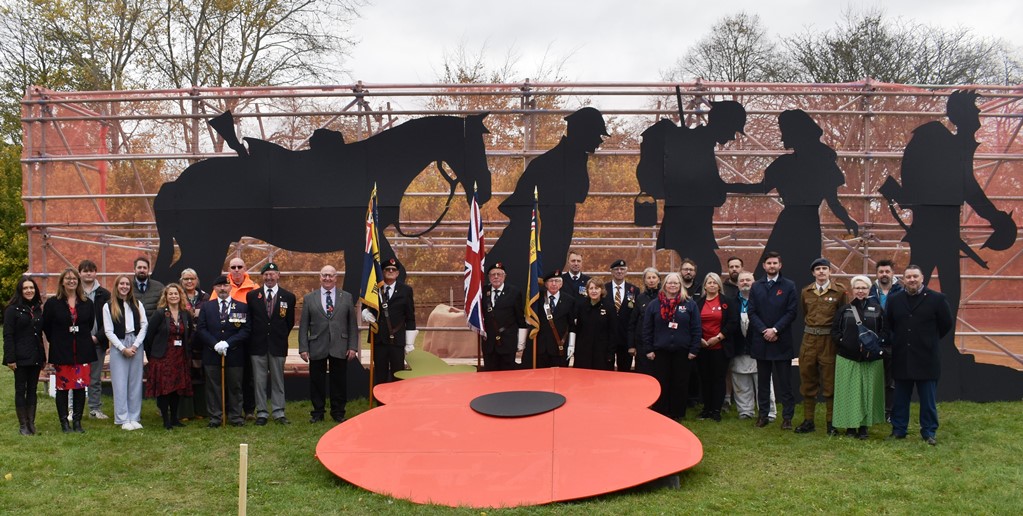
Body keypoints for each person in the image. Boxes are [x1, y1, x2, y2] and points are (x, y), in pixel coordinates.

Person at [726, 109, 859, 279]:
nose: (782, 138)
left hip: (797, 223)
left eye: (784, 132)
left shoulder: (799, 164)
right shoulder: (805, 164)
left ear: (796, 133)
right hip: (802, 223)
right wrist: (725, 186)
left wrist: (847, 219)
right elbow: (833, 202)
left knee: (797, 268)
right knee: (783, 267)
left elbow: (760, 188)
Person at [487, 108, 608, 286]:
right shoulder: (551, 163)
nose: (599, 141)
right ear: (582, 132)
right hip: (537, 242)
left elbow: (579, 194)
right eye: (597, 134)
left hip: (550, 237)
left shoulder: (569, 160)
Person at [637, 100, 746, 282]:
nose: (733, 137)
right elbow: (706, 188)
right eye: (733, 129)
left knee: (702, 269)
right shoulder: (697, 144)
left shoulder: (697, 142)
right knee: (707, 269)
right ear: (723, 123)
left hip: (689, 222)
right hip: (688, 223)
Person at [885, 265, 953, 445]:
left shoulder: (937, 299)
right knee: (900, 398)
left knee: (927, 400)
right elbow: (889, 324)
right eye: (908, 277)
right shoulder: (894, 300)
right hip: (902, 357)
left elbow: (946, 324)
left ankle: (929, 431)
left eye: (915, 276)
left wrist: (928, 340)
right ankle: (899, 430)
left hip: (927, 358)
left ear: (922, 278)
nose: (912, 280)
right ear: (903, 280)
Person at [794, 258, 848, 436]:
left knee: (830, 383)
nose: (821, 272)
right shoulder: (806, 292)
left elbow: (843, 316)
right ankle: (808, 421)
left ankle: (831, 423)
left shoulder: (839, 292)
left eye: (824, 268)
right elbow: (805, 312)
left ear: (830, 271)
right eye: (818, 269)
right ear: (813, 273)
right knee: (807, 379)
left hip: (828, 341)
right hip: (809, 340)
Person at [301, 265, 359, 423]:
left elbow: (352, 325)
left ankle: (338, 412)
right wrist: (303, 348)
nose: (327, 278)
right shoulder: (309, 298)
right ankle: (318, 412)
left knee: (339, 381)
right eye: (324, 275)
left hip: (339, 345)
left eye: (330, 276)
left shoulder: (346, 297)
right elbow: (303, 325)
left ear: (336, 278)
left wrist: (353, 346)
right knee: (316, 382)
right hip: (316, 345)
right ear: (320, 277)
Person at [42, 268, 97, 433]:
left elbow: (89, 323)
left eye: (74, 278)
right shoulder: (53, 303)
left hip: (82, 351)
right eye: (68, 278)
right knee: (63, 388)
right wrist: (58, 340)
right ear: (62, 282)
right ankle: (64, 423)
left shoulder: (87, 303)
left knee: (80, 387)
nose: (71, 281)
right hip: (62, 351)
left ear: (78, 281)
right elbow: (47, 326)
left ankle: (77, 422)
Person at [831, 275, 887, 440]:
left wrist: (876, 347)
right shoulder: (844, 310)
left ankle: (863, 427)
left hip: (871, 359)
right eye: (857, 288)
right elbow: (835, 332)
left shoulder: (877, 309)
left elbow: (885, 331)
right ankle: (850, 426)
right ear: (852, 290)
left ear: (869, 290)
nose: (860, 291)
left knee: (866, 393)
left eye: (864, 288)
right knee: (849, 393)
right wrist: (844, 342)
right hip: (848, 358)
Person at [641, 272, 701, 419]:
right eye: (670, 282)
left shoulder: (689, 304)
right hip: (660, 351)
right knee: (662, 383)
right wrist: (648, 349)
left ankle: (677, 413)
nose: (672, 285)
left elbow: (696, 328)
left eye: (676, 283)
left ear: (680, 285)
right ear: (664, 285)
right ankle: (661, 413)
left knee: (680, 383)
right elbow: (647, 329)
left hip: (683, 351)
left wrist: (694, 349)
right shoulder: (654, 305)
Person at [748, 252, 798, 430]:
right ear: (764, 266)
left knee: (785, 383)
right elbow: (751, 312)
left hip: (781, 340)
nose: (771, 266)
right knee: (762, 382)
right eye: (768, 263)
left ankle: (787, 418)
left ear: (780, 265)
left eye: (775, 263)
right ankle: (763, 415)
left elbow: (792, 312)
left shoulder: (789, 286)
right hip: (761, 341)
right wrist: (764, 330)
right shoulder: (756, 286)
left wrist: (775, 330)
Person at [196, 274, 251, 427]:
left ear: (231, 287)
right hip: (212, 354)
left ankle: (235, 417)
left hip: (234, 354)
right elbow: (201, 329)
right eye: (219, 286)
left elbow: (245, 330)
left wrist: (228, 343)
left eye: (225, 285)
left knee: (235, 386)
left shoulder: (241, 306)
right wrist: (215, 344)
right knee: (213, 387)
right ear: (214, 288)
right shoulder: (207, 307)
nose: (222, 288)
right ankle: (215, 417)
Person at [246, 262, 296, 425]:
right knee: (259, 381)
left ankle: (278, 412)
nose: (269, 277)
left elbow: (289, 323)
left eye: (272, 274)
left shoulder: (288, 297)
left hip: (277, 345)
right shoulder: (253, 296)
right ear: (262, 277)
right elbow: (250, 321)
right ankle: (261, 413)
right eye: (266, 274)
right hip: (258, 345)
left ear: (278, 275)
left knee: (278, 380)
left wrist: (278, 336)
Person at [143, 283, 193, 429]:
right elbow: (149, 336)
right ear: (166, 296)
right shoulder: (160, 313)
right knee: (165, 390)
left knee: (177, 389)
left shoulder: (185, 314)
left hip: (179, 357)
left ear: (180, 296)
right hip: (162, 358)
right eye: (170, 294)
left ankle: (175, 418)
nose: (173, 296)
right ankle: (166, 420)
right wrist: (152, 355)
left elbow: (189, 334)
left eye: (176, 293)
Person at [102, 275, 149, 430]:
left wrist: (135, 346)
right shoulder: (108, 306)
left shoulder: (137, 304)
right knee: (120, 382)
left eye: (127, 284)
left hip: (135, 343)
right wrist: (122, 348)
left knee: (135, 382)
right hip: (119, 345)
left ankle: (134, 417)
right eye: (121, 284)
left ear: (130, 287)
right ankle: (122, 418)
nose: (124, 286)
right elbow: (108, 331)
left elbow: (144, 326)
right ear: (116, 286)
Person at [362, 258, 417, 384]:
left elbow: (410, 317)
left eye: (393, 269)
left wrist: (409, 342)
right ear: (382, 272)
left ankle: (396, 402)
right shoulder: (374, 288)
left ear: (397, 273)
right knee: (380, 374)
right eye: (387, 269)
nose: (390, 271)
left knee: (397, 374)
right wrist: (365, 313)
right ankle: (380, 403)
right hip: (379, 339)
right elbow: (366, 305)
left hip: (397, 340)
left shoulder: (406, 290)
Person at [731, 271, 776, 422]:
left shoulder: (763, 300)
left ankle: (769, 412)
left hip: (759, 345)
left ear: (754, 282)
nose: (745, 283)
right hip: (739, 347)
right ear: (737, 284)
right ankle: (745, 411)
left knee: (763, 381)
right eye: (741, 280)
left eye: (748, 280)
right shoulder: (732, 302)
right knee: (740, 380)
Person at [4, 276, 45, 435]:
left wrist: (43, 356)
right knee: (21, 389)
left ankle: (31, 423)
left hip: (35, 355)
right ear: (21, 291)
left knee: (33, 389)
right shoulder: (12, 310)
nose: (29, 291)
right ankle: (23, 425)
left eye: (32, 288)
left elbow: (40, 334)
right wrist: (10, 358)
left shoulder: (37, 309)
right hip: (19, 357)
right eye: (26, 288)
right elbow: (8, 335)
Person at [695, 273, 738, 422]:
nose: (712, 285)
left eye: (715, 283)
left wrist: (719, 337)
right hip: (702, 347)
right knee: (705, 379)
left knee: (718, 379)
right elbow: (693, 323)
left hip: (720, 346)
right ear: (705, 286)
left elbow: (733, 323)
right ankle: (706, 409)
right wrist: (699, 339)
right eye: (709, 283)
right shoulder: (698, 303)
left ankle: (716, 410)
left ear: (719, 286)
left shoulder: (727, 302)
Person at [868, 259, 902, 422]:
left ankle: (889, 412)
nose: (884, 274)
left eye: (887, 271)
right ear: (877, 274)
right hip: (874, 342)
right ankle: (873, 411)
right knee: (873, 379)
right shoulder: (870, 291)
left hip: (894, 343)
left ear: (892, 273)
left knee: (891, 381)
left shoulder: (900, 291)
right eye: (881, 272)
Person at [226, 256, 258, 419]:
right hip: (229, 341)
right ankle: (231, 408)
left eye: (239, 267)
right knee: (232, 378)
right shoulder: (222, 287)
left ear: (245, 269)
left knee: (249, 376)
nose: (236, 270)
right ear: (229, 270)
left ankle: (250, 409)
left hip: (249, 339)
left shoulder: (254, 287)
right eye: (233, 267)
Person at [78, 259, 111, 420]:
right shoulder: (74, 292)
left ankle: (94, 409)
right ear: (80, 273)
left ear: (96, 272)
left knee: (95, 378)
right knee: (75, 376)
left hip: (98, 343)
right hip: (78, 343)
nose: (88, 273)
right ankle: (72, 409)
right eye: (85, 270)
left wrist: (97, 337)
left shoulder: (104, 294)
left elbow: (110, 320)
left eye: (91, 270)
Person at [522, 269, 575, 368]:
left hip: (559, 347)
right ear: (546, 284)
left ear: (561, 284)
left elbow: (572, 325)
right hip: (541, 348)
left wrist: (571, 345)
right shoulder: (537, 299)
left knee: (560, 379)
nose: (554, 284)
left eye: (557, 281)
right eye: (551, 281)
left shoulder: (569, 300)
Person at [481, 262, 527, 372]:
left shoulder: (514, 292)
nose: (496, 277)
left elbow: (520, 318)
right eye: (493, 274)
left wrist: (521, 343)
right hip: (489, 343)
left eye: (499, 274)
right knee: (490, 375)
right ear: (489, 277)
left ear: (504, 276)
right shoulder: (483, 291)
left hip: (508, 342)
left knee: (507, 377)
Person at [178, 267, 208, 421]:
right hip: (183, 343)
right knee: (185, 376)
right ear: (181, 281)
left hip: (201, 344)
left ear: (197, 281)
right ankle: (185, 412)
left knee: (200, 376)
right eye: (186, 279)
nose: (189, 281)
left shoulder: (205, 297)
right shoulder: (177, 296)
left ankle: (200, 410)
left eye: (192, 279)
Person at [571, 278, 616, 370]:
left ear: (602, 290)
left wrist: (610, 353)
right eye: (591, 288)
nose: (594, 291)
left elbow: (613, 332)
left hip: (602, 353)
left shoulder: (609, 307)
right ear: (587, 290)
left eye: (597, 288)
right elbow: (578, 329)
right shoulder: (581, 306)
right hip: (583, 353)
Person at [604, 259, 639, 372]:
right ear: (611, 271)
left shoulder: (634, 290)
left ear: (626, 271)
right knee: (606, 370)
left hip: (626, 338)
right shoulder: (604, 289)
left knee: (625, 371)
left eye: (622, 269)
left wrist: (632, 342)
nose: (619, 271)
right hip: (607, 338)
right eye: (616, 269)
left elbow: (636, 316)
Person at [628, 267, 660, 375]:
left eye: (654, 277)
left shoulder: (664, 297)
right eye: (648, 278)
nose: (651, 280)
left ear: (658, 280)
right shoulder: (640, 298)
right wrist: (631, 345)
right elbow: (633, 322)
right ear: (645, 281)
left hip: (659, 343)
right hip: (642, 345)